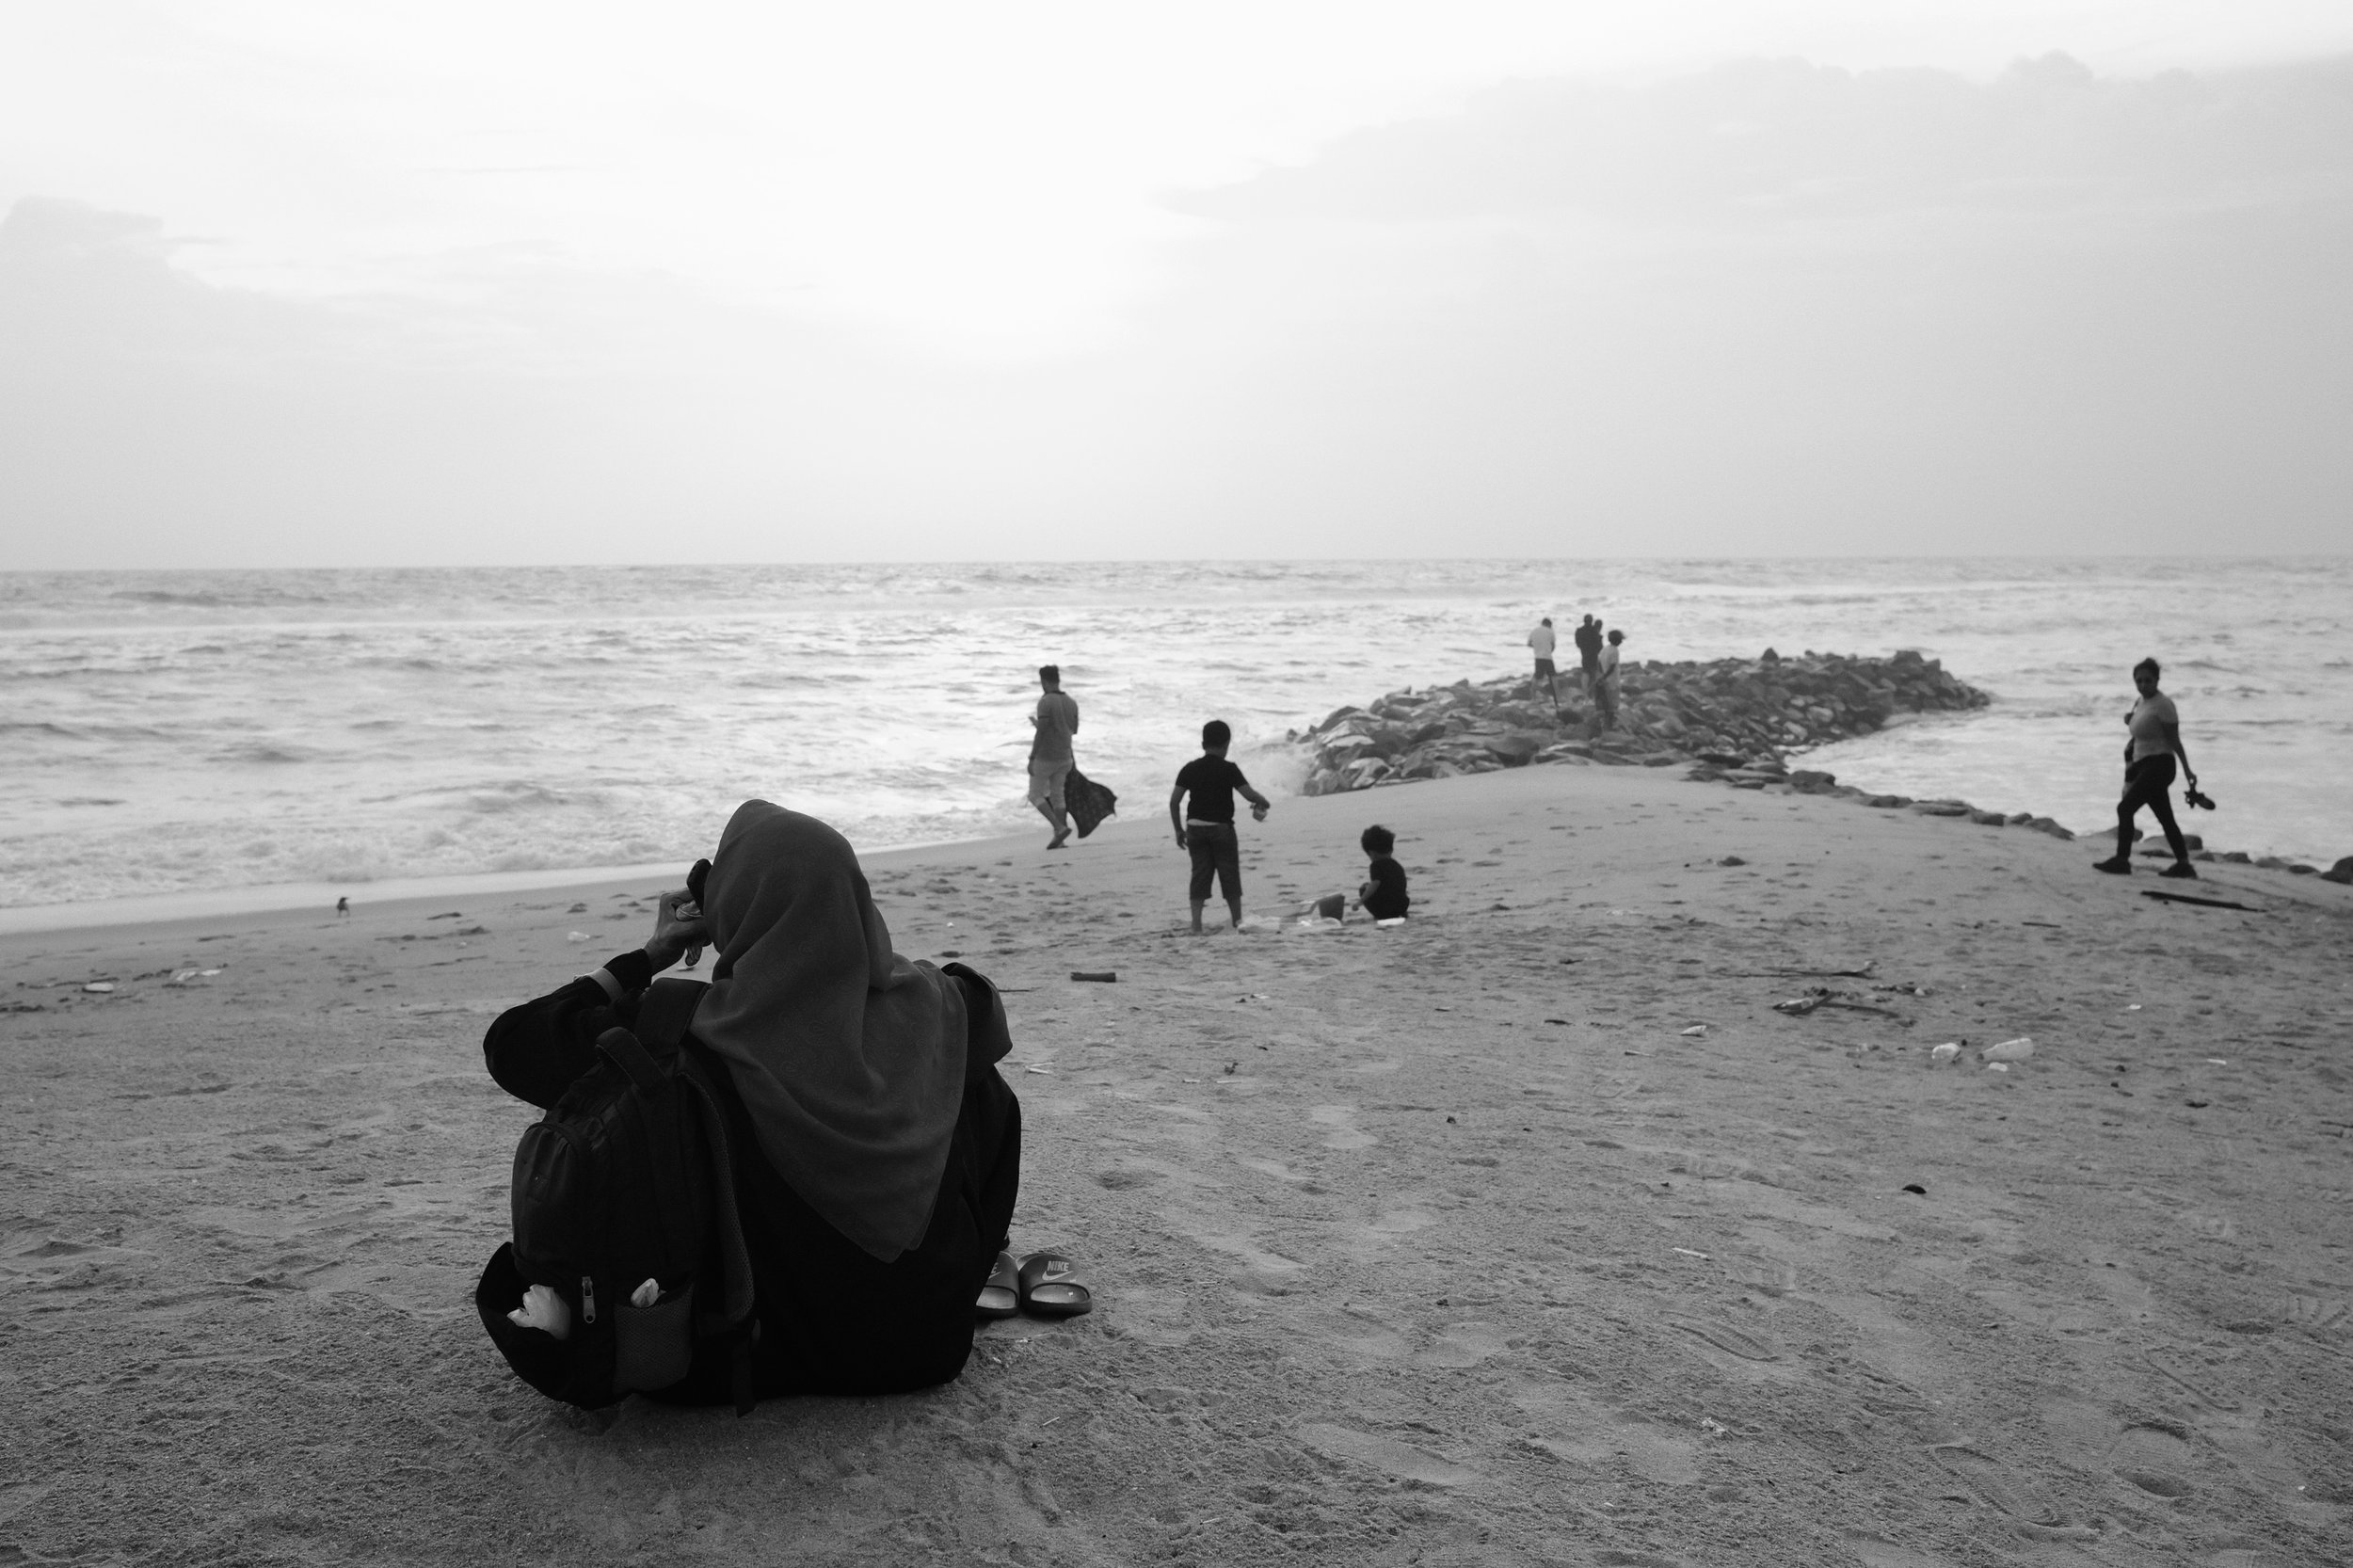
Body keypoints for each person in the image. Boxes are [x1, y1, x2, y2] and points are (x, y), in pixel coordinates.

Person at [480, 800, 1063, 1404]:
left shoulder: (677, 1033)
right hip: (927, 1350)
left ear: (729, 913)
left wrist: (650, 955)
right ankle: (954, 1276)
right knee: (980, 1085)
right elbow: (986, 1010)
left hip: (742, 1364)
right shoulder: (941, 1004)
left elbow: (513, 1044)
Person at [2094, 658, 2200, 879]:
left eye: (2148, 680)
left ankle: (2122, 860)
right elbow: (2139, 731)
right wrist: (2130, 720)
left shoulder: (2164, 705)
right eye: (2139, 681)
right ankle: (2183, 863)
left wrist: (2188, 772)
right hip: (2143, 765)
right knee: (2165, 816)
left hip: (2160, 765)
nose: (2143, 685)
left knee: (2125, 808)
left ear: (2157, 680)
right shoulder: (2140, 702)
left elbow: (2175, 741)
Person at [1169, 720, 1272, 933]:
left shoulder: (1189, 768)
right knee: (1229, 876)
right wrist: (1264, 802)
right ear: (1226, 744)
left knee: (1199, 875)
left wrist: (1178, 830)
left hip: (1195, 828)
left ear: (1202, 743)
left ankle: (1196, 924)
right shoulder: (1229, 769)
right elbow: (1248, 794)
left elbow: (1174, 801)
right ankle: (1237, 921)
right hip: (1221, 830)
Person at [1027, 665, 1080, 850]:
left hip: (1046, 756)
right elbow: (1073, 729)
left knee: (1035, 795)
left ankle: (1059, 827)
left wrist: (1032, 757)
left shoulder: (1045, 702)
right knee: (1058, 797)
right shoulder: (1071, 702)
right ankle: (1060, 839)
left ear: (1045, 681)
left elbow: (1042, 732)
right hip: (1065, 756)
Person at [1357, 824, 1410, 920]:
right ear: (1391, 849)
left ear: (1371, 853)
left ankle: (1379, 916)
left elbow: (1375, 884)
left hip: (1384, 909)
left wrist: (1360, 901)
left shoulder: (1376, 866)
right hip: (1401, 906)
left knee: (1364, 888)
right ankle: (1403, 914)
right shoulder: (1396, 865)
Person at [1527, 617, 1561, 713]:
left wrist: (1537, 647)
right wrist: (1549, 650)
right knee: (1553, 677)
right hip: (1548, 657)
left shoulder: (1534, 631)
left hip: (1538, 657)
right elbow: (1553, 645)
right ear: (1549, 625)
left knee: (1537, 677)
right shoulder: (1550, 631)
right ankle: (1557, 697)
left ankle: (1533, 697)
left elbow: (1529, 644)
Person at [1593, 628, 1624, 731]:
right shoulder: (1615, 650)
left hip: (1605, 681)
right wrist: (1605, 676)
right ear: (1618, 640)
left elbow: (1598, 662)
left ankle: (1606, 725)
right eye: (1620, 639)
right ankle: (1609, 726)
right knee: (1613, 706)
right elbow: (1612, 666)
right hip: (1613, 681)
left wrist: (1601, 674)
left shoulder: (1604, 649)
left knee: (1606, 704)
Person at [1574, 616, 1604, 698]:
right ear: (1591, 621)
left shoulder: (1579, 631)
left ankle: (1585, 693)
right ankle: (1594, 693)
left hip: (1584, 653)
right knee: (1594, 673)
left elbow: (1578, 644)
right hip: (1594, 654)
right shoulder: (1594, 630)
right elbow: (1599, 645)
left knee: (1585, 672)